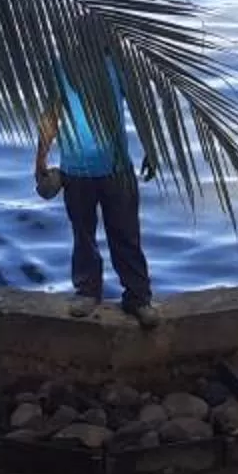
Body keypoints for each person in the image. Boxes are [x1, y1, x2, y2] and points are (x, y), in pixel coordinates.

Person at [35, 64, 157, 325]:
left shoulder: (117, 65)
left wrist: (150, 147)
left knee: (127, 236)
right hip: (75, 170)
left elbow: (139, 108)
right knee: (83, 236)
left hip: (117, 169)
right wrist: (40, 160)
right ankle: (87, 291)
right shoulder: (61, 67)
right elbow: (51, 115)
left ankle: (138, 298)